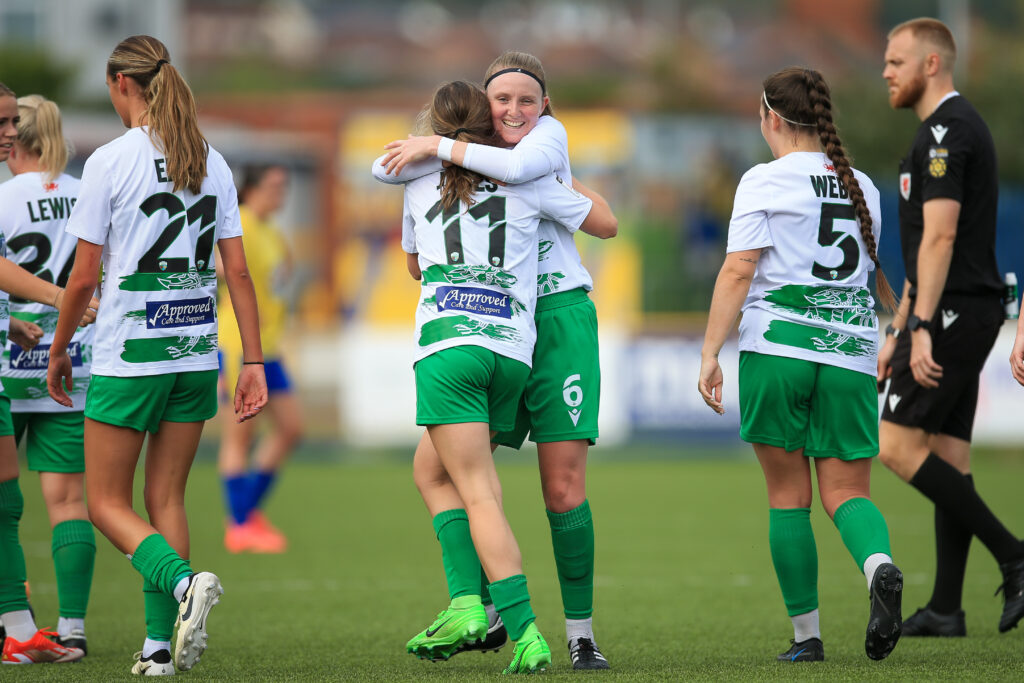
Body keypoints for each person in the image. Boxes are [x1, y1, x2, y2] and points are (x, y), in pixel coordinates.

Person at [375, 51, 616, 670]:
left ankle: (579, 635)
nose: (514, 110)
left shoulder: (541, 152)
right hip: (505, 325)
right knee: (443, 471)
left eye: (527, 101)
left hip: (552, 317)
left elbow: (605, 222)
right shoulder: (464, 164)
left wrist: (440, 147)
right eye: (501, 101)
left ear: (544, 109)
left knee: (560, 489)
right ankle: (481, 610)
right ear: (482, 108)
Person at [45, 35, 267, 675]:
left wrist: (60, 349)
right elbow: (240, 274)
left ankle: (183, 586)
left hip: (129, 355)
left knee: (106, 504)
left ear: (121, 83)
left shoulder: (110, 162)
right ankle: (158, 648)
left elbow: (84, 278)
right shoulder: (212, 161)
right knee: (166, 499)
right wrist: (251, 361)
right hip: (195, 354)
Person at [698, 66, 903, 662]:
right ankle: (879, 565)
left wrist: (711, 351)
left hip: (779, 349)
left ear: (770, 117)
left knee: (788, 496)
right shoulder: (862, 183)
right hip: (849, 352)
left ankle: (807, 639)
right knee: (847, 491)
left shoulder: (762, 181)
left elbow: (739, 270)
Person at [878, 17, 1024, 637]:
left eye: (896, 60)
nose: (885, 71)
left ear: (931, 64)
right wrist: (899, 325)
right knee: (949, 458)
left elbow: (940, 236)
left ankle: (1015, 556)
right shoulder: (938, 133)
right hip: (958, 306)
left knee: (895, 445)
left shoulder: (946, 131)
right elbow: (924, 248)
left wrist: (922, 328)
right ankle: (945, 608)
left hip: (956, 311)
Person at [0, 81, 98, 665]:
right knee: (69, 502)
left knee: (6, 500)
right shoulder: (86, 195)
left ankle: (16, 623)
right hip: (70, 359)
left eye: (13, 123)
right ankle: (73, 627)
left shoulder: (6, 197)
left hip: (10, 365)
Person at [217, 163, 302, 554]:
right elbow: (220, 268)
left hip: (269, 348)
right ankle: (239, 524)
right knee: (241, 436)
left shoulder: (272, 229)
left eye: (283, 185)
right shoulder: (245, 223)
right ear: (249, 190)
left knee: (290, 428)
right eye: (272, 185)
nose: (280, 193)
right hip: (240, 346)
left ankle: (245, 512)